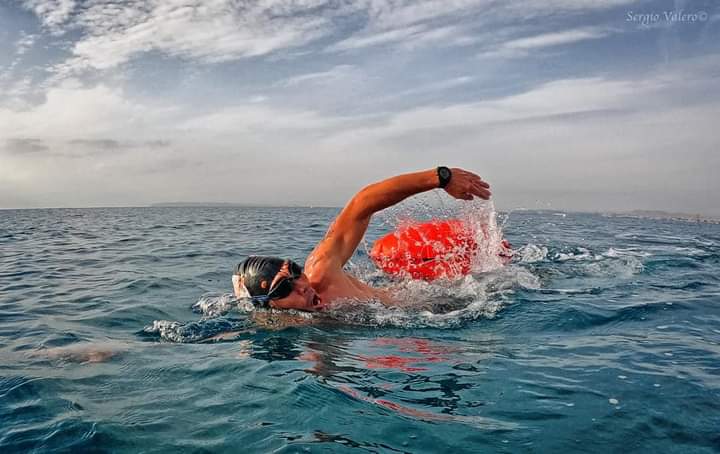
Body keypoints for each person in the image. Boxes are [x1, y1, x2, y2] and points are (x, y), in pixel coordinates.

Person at [232, 167, 491, 312]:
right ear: (270, 305)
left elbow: (362, 204)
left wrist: (441, 177)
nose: (302, 286)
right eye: (285, 289)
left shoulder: (322, 271)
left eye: (296, 273)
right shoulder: (285, 320)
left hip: (437, 303)